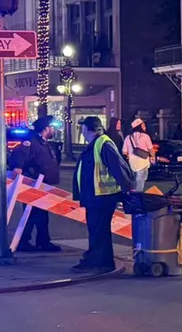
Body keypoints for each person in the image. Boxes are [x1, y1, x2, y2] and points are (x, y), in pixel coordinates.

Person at [72, 116, 135, 273]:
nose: (82, 132)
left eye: (83, 129)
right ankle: (102, 261)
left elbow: (118, 166)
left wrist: (128, 187)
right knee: (98, 230)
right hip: (96, 196)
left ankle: (97, 262)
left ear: (87, 130)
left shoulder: (103, 143)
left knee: (98, 231)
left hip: (102, 196)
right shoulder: (96, 144)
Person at [18, 116, 62, 252]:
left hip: (43, 185)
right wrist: (17, 168)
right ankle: (26, 242)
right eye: (52, 127)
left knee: (40, 215)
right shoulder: (31, 143)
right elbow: (19, 157)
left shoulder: (44, 143)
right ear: (46, 128)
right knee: (32, 215)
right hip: (34, 185)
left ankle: (41, 241)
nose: (54, 130)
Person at [122, 118, 154, 192]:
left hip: (132, 164)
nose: (145, 127)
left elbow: (124, 152)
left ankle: (132, 196)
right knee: (140, 186)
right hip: (143, 164)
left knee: (134, 184)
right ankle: (136, 197)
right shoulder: (145, 136)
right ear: (139, 126)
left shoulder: (128, 138)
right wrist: (153, 157)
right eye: (143, 125)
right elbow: (151, 150)